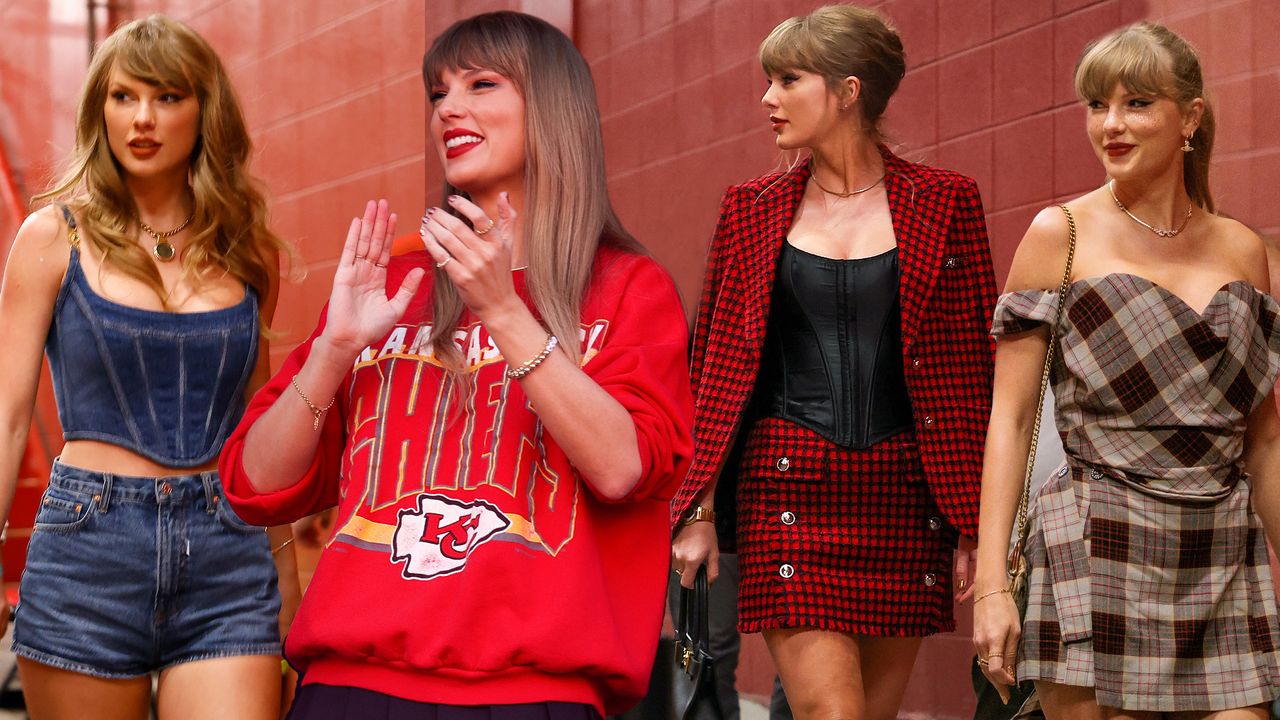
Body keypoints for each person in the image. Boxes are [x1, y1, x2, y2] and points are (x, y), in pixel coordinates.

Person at [217, 11, 694, 719]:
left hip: (533, 695)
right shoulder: (396, 279)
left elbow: (623, 468)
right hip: (349, 684)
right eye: (437, 93)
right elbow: (254, 485)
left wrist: (504, 310)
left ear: (552, 109)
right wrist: (333, 352)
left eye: (480, 83)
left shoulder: (627, 287)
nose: (449, 109)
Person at [669, 5, 996, 719]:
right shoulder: (749, 208)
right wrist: (697, 509)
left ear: (848, 91)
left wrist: (975, 524)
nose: (768, 98)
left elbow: (972, 373)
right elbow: (716, 365)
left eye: (788, 79)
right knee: (832, 713)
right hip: (788, 490)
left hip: (905, 498)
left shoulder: (947, 202)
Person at [972, 21, 1280, 718]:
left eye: (1136, 103)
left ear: (1190, 118)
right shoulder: (1061, 233)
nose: (1110, 124)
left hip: (1221, 550)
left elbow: (1263, 438)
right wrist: (993, 585)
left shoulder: (1241, 250)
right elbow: (1012, 420)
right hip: (1096, 538)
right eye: (1096, 105)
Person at [0, 15, 299, 720]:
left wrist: (287, 578)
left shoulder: (244, 250)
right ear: (98, 109)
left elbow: (257, 431)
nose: (141, 119)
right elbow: (9, 419)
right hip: (88, 549)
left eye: (167, 97)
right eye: (123, 96)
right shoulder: (52, 237)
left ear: (205, 112)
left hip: (227, 554)